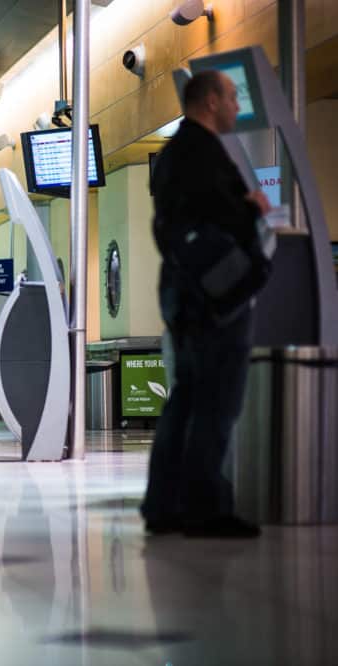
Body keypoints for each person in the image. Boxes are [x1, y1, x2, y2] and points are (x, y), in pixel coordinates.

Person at [140, 70, 272, 539]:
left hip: (185, 292)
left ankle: (165, 505)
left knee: (189, 398)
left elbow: (173, 224)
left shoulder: (178, 154)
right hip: (213, 296)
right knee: (216, 401)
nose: (238, 105)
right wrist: (253, 207)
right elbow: (217, 215)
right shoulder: (201, 153)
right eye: (233, 97)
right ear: (211, 101)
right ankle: (204, 509)